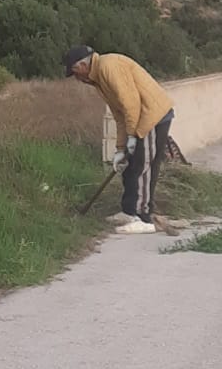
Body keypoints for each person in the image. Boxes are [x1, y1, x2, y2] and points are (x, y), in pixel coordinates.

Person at [64, 45, 175, 233]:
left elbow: (131, 104)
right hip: (138, 117)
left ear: (83, 64)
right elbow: (119, 114)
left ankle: (143, 217)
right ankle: (129, 211)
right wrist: (121, 148)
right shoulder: (98, 78)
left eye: (75, 72)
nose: (76, 78)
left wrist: (133, 136)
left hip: (151, 116)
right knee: (130, 165)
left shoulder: (109, 67)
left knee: (143, 165)